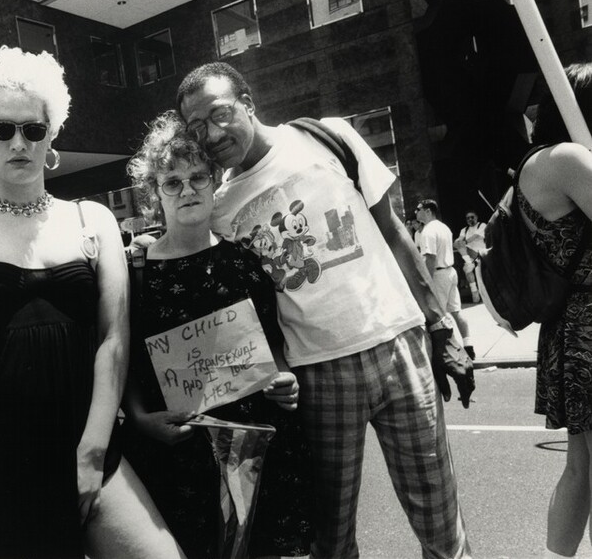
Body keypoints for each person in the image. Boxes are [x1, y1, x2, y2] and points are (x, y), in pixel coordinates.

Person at [0, 46, 185, 559]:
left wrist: (92, 453)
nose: (18, 142)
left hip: (82, 441)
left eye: (33, 129)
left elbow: (114, 340)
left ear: (51, 137)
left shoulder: (93, 220)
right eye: (2, 130)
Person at [177, 61, 473, 559]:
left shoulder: (327, 137)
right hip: (317, 377)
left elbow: (396, 233)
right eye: (196, 127)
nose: (212, 132)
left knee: (442, 523)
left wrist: (440, 323)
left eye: (220, 113)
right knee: (330, 540)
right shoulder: (221, 208)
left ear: (248, 104)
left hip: (400, 344)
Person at [122, 110, 314, 559]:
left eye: (198, 177)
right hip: (181, 452)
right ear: (155, 193)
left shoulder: (246, 261)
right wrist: (139, 417)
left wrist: (284, 380)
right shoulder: (136, 272)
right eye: (172, 182)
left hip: (258, 446)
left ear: (214, 181)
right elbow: (123, 355)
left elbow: (272, 346)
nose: (187, 189)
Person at [518, 63, 592, 559]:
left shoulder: (538, 161)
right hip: (588, 326)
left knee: (582, 466)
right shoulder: (567, 158)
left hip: (573, 327)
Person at [416, 199, 476, 360]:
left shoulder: (428, 231)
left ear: (428, 211)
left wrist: (426, 281)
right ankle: (468, 346)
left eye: (419, 209)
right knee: (456, 311)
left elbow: (430, 258)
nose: (416, 212)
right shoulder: (444, 228)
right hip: (450, 272)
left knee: (439, 317)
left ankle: (450, 352)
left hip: (438, 275)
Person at [453, 210, 487, 303]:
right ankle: (474, 291)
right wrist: (457, 242)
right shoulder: (464, 230)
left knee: (467, 262)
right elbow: (460, 239)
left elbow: (475, 237)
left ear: (476, 217)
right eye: (468, 218)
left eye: (472, 217)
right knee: (467, 269)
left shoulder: (482, 225)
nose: (470, 219)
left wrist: (464, 242)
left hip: (482, 253)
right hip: (470, 256)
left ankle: (468, 262)